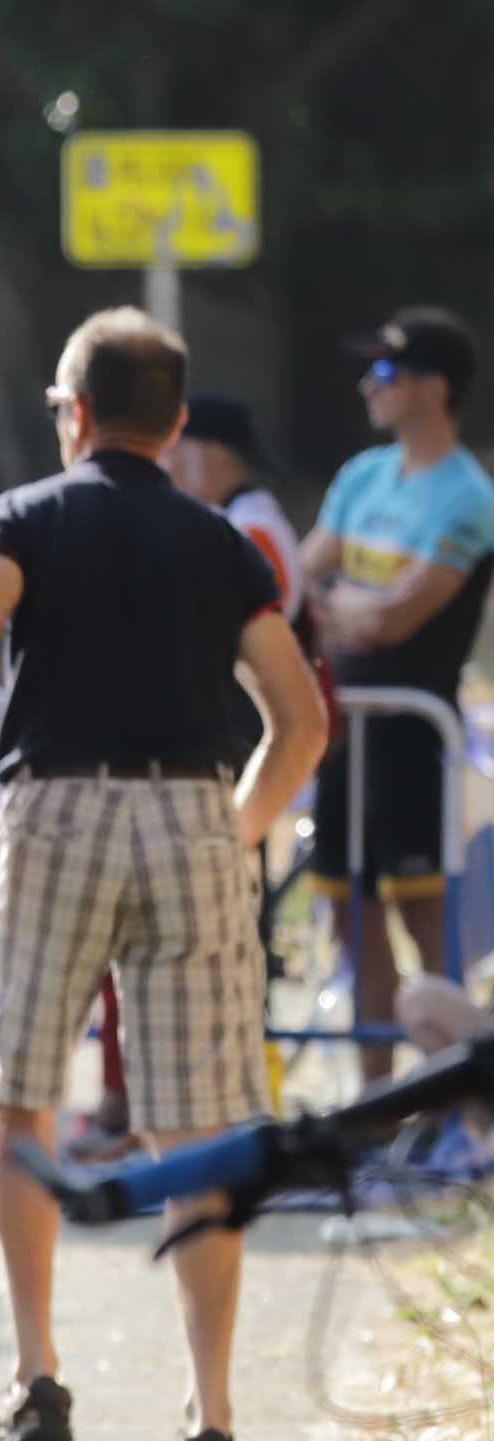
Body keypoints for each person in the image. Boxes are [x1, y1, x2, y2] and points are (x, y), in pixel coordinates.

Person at [0, 306, 328, 1441]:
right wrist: (233, 829)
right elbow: (299, 718)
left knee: (21, 1096)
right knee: (203, 1126)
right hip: (193, 815)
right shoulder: (222, 545)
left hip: (54, 813)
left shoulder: (21, 521)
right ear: (179, 421)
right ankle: (211, 1418)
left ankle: (38, 1371)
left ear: (76, 410)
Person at [59, 393, 310, 1159]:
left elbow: (244, 654)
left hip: (220, 768)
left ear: (210, 451)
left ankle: (194, 1122)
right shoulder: (234, 524)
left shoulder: (248, 529)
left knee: (220, 953)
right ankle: (155, 1115)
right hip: (211, 765)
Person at [302, 307, 494, 1083]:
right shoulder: (361, 475)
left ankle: (457, 1097)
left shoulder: (468, 496)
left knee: (422, 917)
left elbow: (394, 619)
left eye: (385, 373)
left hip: (415, 732)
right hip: (345, 727)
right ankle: (375, 1103)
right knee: (351, 914)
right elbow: (305, 583)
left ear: (433, 388)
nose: (367, 386)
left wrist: (341, 605)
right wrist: (342, 607)